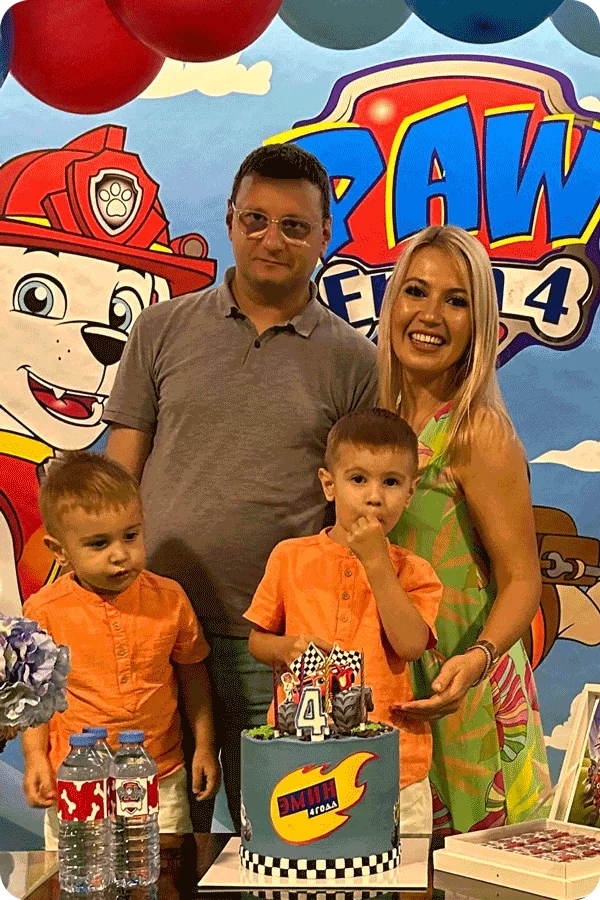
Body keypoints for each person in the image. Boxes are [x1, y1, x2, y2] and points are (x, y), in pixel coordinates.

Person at [103, 143, 379, 832]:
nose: (271, 239)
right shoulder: (161, 328)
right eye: (256, 219)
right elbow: (118, 477)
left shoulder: (356, 362)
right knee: (162, 843)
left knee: (287, 838)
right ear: (230, 219)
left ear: (324, 235)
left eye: (294, 226)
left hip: (282, 643)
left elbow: (361, 506)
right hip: (156, 634)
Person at [377, 224, 551, 836]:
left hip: (468, 694)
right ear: (392, 303)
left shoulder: (479, 433)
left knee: (477, 872)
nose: (430, 315)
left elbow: (522, 579)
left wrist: (478, 660)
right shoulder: (373, 422)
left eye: (456, 301)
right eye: (416, 291)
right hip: (394, 691)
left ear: (479, 324)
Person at [245, 408, 443, 835]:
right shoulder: (289, 557)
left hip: (395, 765)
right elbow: (257, 641)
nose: (374, 497)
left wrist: (377, 562)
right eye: (358, 479)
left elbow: (410, 645)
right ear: (328, 484)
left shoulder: (415, 571)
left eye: (391, 483)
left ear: (410, 492)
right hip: (303, 761)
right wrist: (284, 647)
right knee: (309, 861)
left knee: (401, 868)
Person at [21, 452, 220, 850]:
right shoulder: (44, 611)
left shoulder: (170, 598)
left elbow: (193, 675)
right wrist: (35, 758)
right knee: (76, 873)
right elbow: (36, 696)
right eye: (99, 543)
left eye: (130, 536)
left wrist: (204, 746)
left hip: (160, 776)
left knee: (163, 870)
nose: (120, 554)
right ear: (59, 551)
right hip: (77, 780)